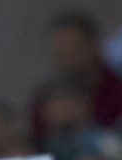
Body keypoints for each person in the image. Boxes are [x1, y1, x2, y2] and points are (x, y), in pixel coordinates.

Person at [30, 11, 122, 144]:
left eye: (74, 49)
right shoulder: (43, 102)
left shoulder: (117, 92)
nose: (67, 59)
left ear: (94, 46)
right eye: (60, 51)